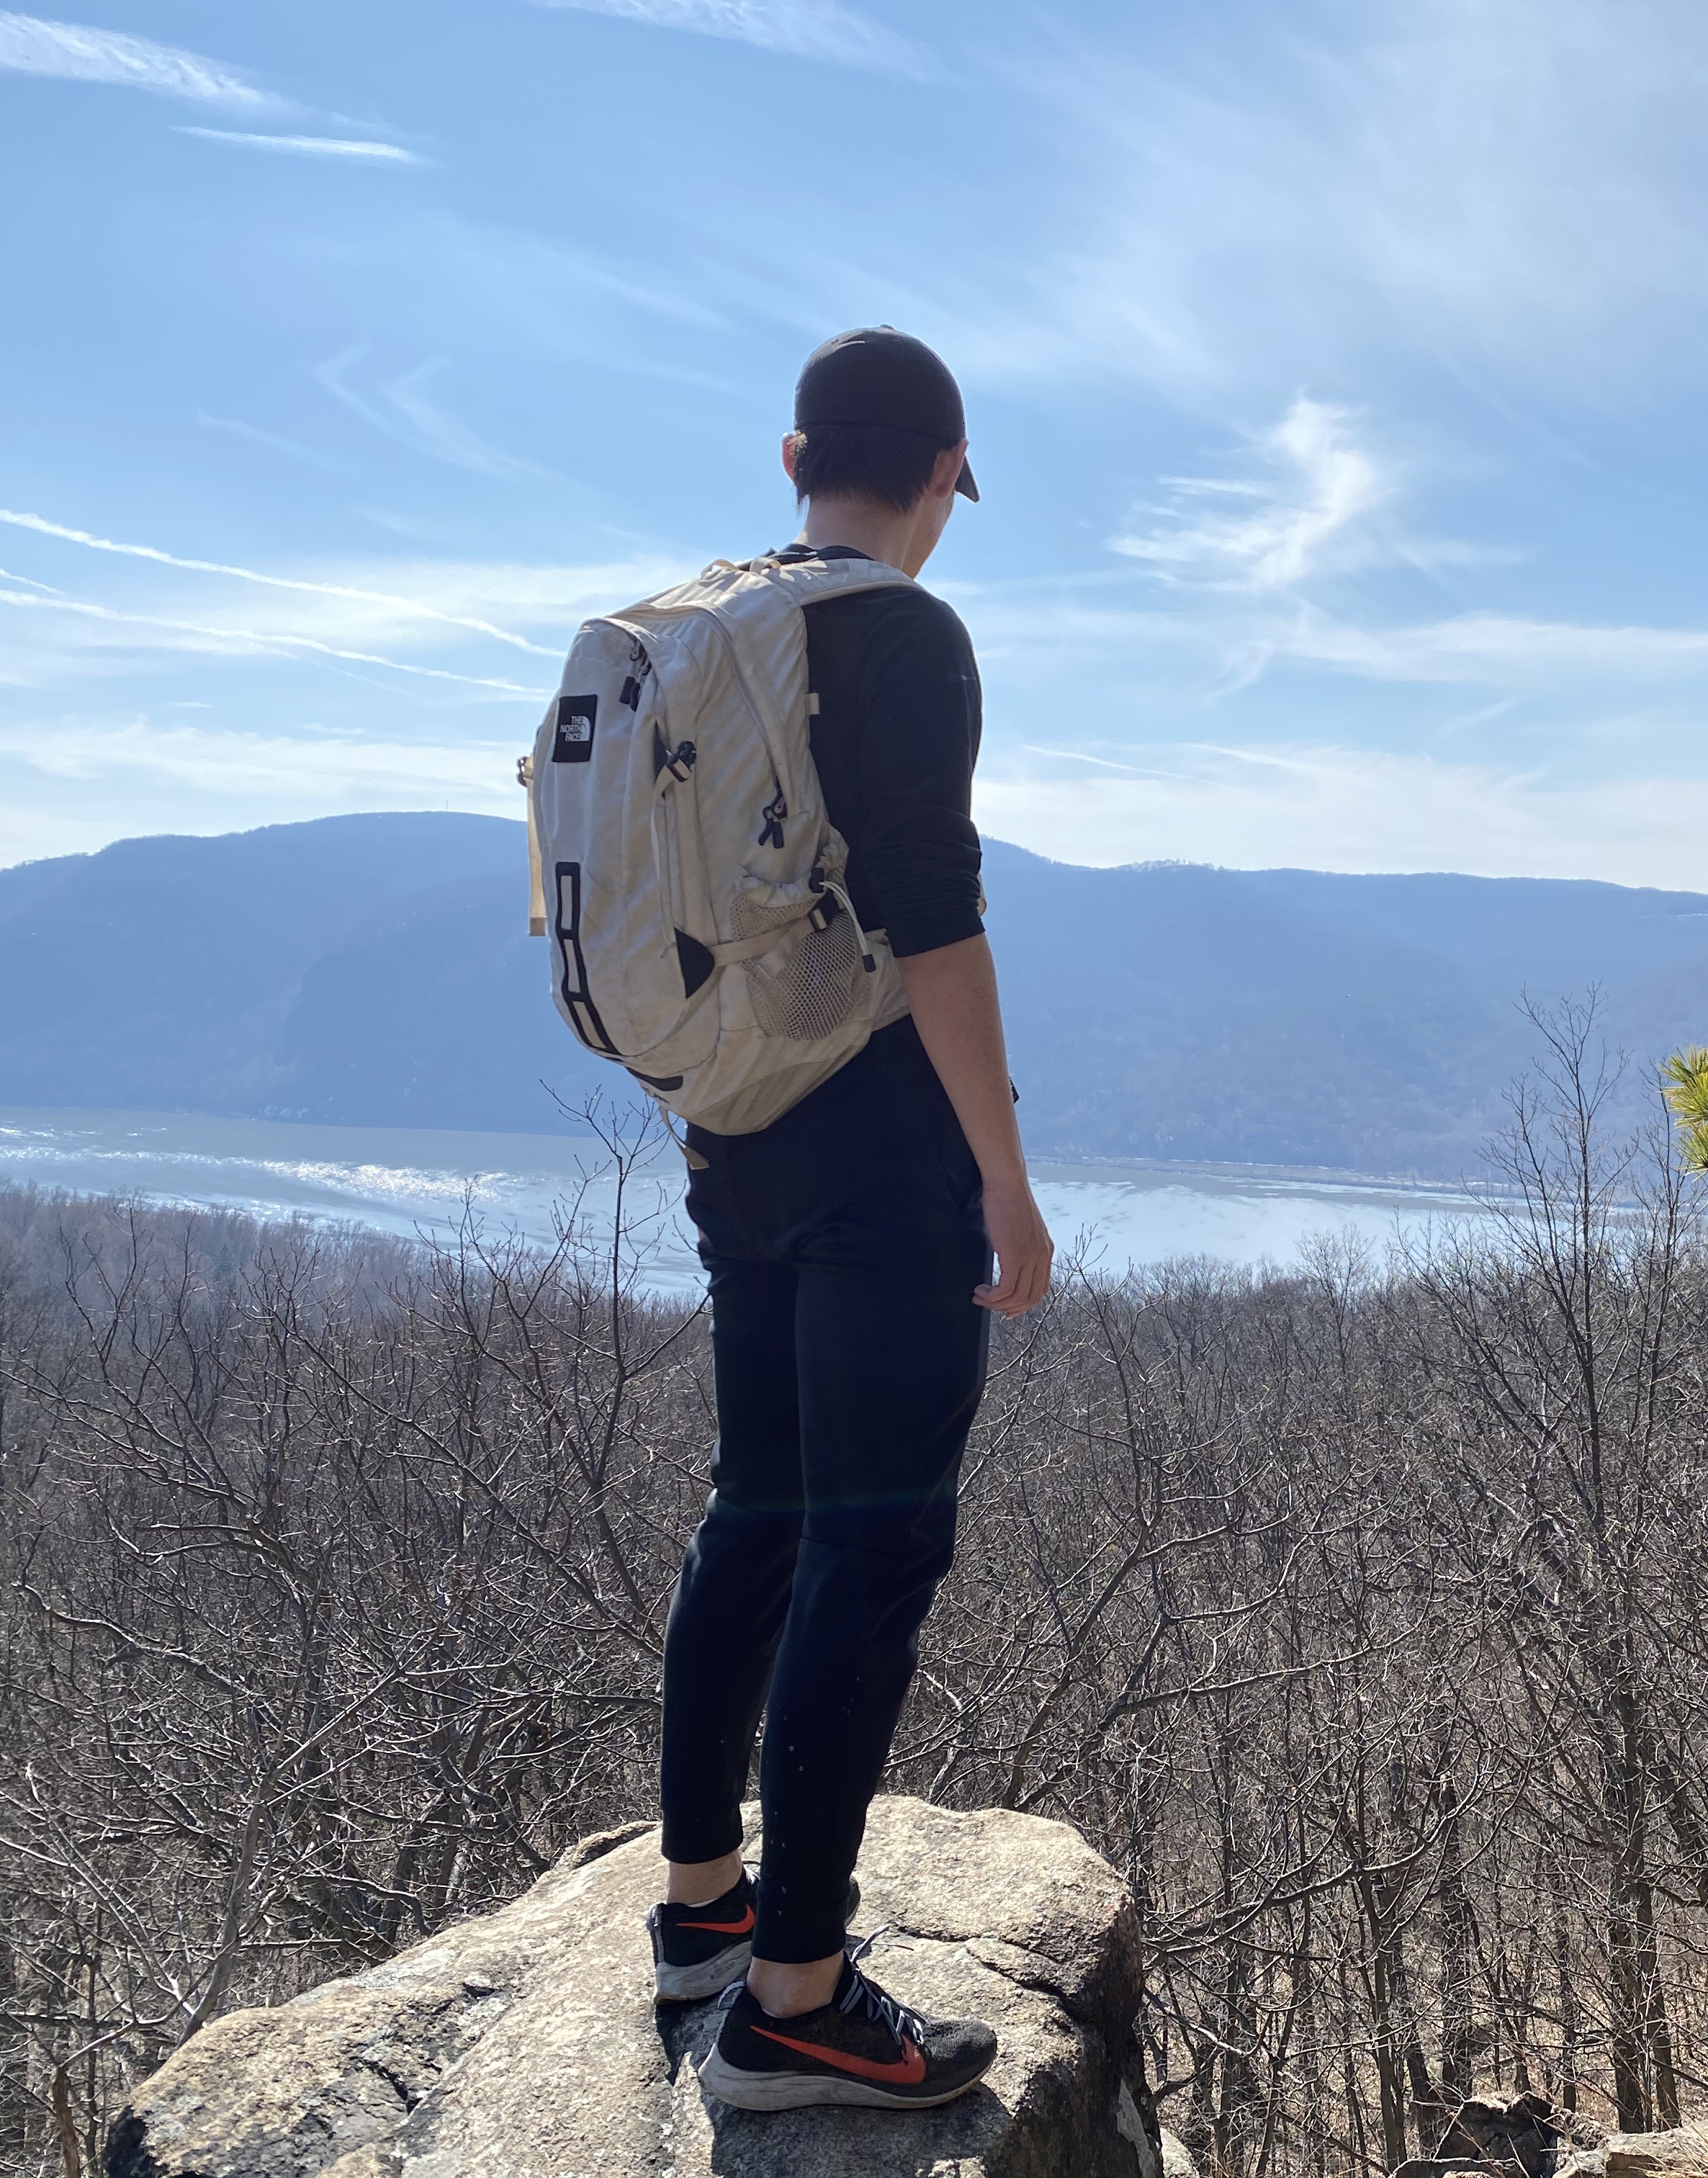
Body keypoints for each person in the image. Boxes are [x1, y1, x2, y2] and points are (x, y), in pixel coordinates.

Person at [642, 327, 1053, 2114]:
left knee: (760, 1507)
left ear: (796, 448)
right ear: (946, 475)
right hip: (877, 1144)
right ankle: (797, 2001)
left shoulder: (693, 629)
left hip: (733, 1127)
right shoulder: (898, 631)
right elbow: (935, 916)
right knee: (873, 1548)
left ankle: (701, 1912)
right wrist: (1004, 1177)